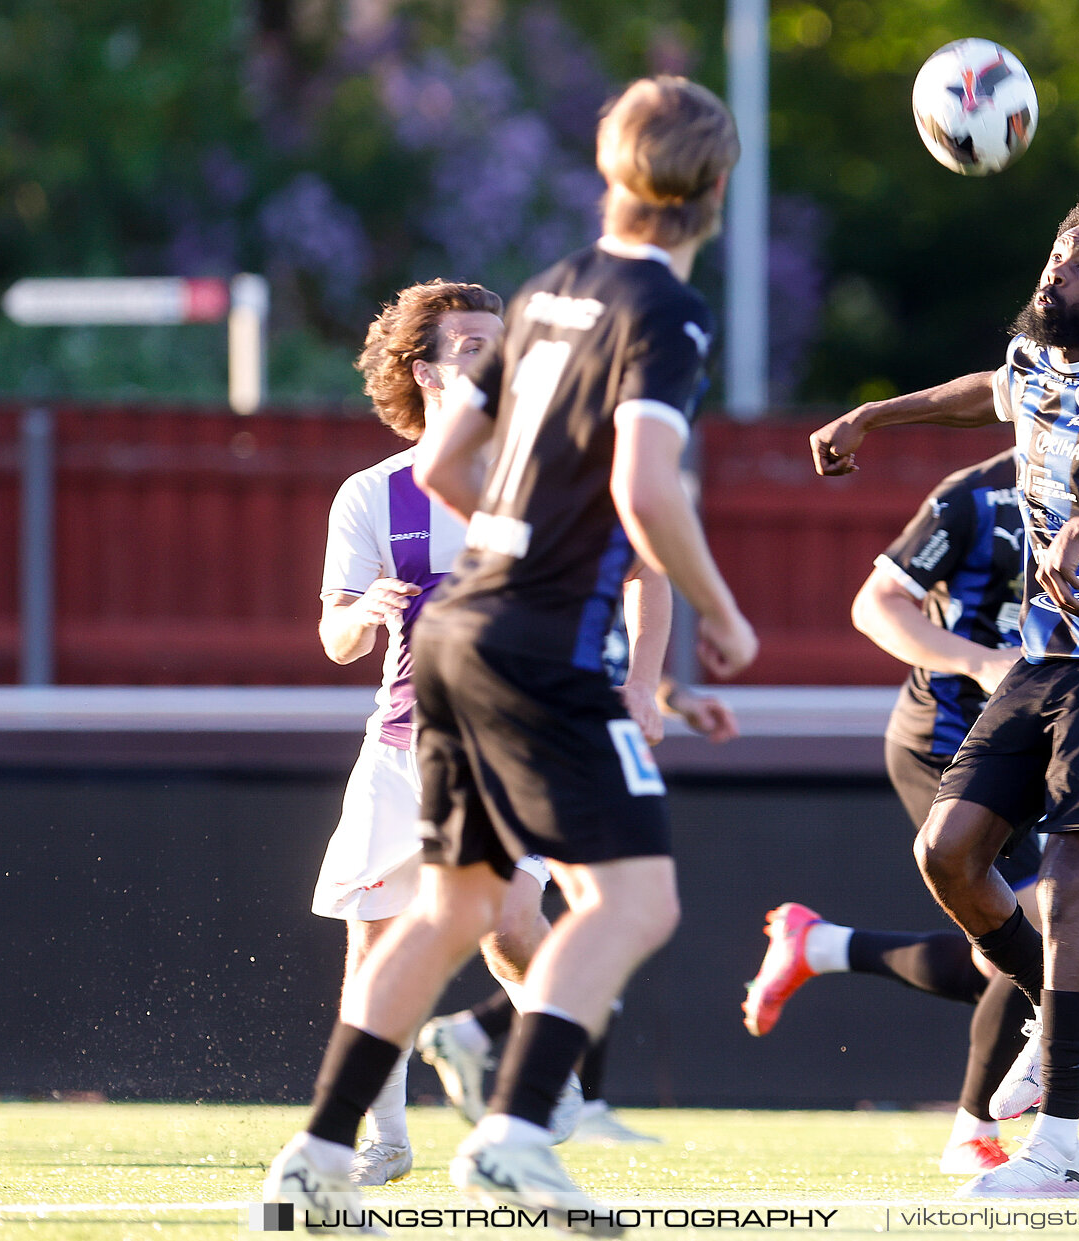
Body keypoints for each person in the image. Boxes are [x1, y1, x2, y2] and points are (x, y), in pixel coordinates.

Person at [264, 75, 754, 1233]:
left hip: (455, 642)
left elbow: (441, 468)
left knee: (449, 910)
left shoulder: (549, 293)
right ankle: (515, 1119)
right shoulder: (665, 313)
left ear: (609, 173)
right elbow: (643, 485)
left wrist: (526, 531)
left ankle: (315, 1155)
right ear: (714, 192)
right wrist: (714, 608)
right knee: (636, 902)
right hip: (542, 648)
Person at [809, 190, 1079, 1199]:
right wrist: (874, 413)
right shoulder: (1038, 365)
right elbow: (984, 391)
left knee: (1069, 884)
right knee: (947, 852)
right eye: (1058, 251)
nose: (1058, 269)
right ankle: (1065, 1010)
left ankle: (1056, 1151)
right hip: (1051, 660)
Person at [314, 278, 583, 1187]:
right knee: (373, 944)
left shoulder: (545, 471)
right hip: (399, 745)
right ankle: (381, 1139)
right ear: (421, 369)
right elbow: (336, 635)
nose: (492, 355)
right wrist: (366, 609)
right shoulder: (373, 495)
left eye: (499, 341)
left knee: (510, 925)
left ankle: (552, 1076)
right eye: (468, 344)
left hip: (515, 741)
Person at [740, 449, 1047, 1175]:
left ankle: (821, 946)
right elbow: (874, 603)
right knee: (1035, 931)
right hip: (947, 740)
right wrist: (976, 660)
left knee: (1004, 960)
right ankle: (972, 1132)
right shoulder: (974, 495)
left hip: (1034, 742)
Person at [418, 674, 738, 1145]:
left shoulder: (598, 613)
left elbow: (629, 674)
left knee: (603, 928)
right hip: (537, 758)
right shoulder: (536, 617)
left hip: (585, 763)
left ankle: (504, 1054)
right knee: (585, 927)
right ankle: (552, 1090)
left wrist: (678, 699)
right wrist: (724, 619)